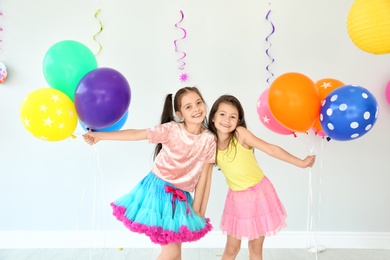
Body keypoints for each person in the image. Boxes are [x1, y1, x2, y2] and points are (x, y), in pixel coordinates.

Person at [83, 86, 216, 260]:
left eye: (198, 103)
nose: (196, 109)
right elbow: (136, 134)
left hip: (180, 198)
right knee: (172, 252)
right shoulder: (171, 129)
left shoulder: (209, 138)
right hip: (158, 191)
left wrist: (199, 211)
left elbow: (205, 176)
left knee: (175, 254)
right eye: (188, 106)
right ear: (180, 114)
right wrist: (101, 136)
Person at [207, 95, 316, 260]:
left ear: (238, 121)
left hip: (259, 194)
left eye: (233, 116)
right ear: (213, 117)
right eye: (222, 114)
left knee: (255, 249)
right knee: (231, 249)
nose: (226, 120)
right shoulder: (209, 142)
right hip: (236, 198)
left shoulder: (240, 134)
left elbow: (271, 149)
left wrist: (301, 163)